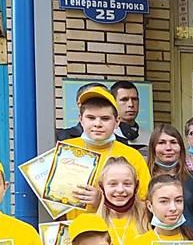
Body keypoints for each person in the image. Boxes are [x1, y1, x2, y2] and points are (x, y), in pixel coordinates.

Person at [63, 86, 151, 218]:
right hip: (74, 228)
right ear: (80, 119)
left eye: (105, 118)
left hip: (117, 229)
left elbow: (147, 204)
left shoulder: (132, 156)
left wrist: (102, 201)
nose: (97, 124)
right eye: (91, 118)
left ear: (117, 122)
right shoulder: (65, 150)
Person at [95, 157, 150, 245]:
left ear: (136, 186)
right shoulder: (92, 224)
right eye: (113, 184)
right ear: (102, 186)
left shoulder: (150, 220)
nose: (120, 189)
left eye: (127, 184)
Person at [146, 124, 193, 231]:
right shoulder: (145, 177)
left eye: (173, 142)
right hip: (152, 238)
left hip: (190, 238)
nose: (168, 148)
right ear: (152, 148)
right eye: (161, 143)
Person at [112, 81, 150, 150]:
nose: (131, 104)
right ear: (113, 103)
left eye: (134, 99)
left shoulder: (149, 137)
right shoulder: (106, 136)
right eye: (124, 100)